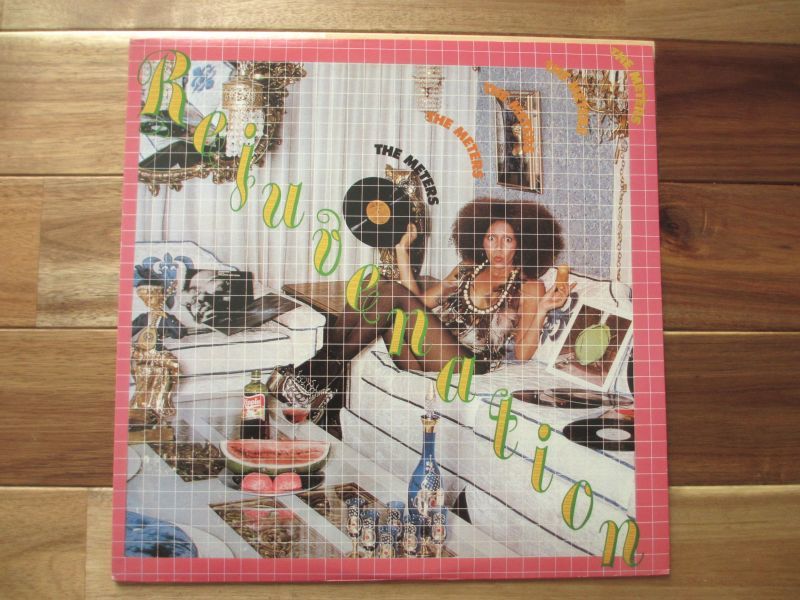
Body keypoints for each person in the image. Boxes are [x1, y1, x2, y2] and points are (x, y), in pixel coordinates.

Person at [268, 197, 575, 417]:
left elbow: (522, 353)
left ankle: (313, 376)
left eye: (507, 240)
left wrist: (543, 309)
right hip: (424, 354)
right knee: (372, 289)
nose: (497, 247)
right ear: (480, 239)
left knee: (390, 291)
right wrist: (402, 250)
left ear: (521, 243)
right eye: (491, 238)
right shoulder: (466, 269)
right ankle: (317, 376)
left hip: (468, 364)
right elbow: (418, 302)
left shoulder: (530, 286)